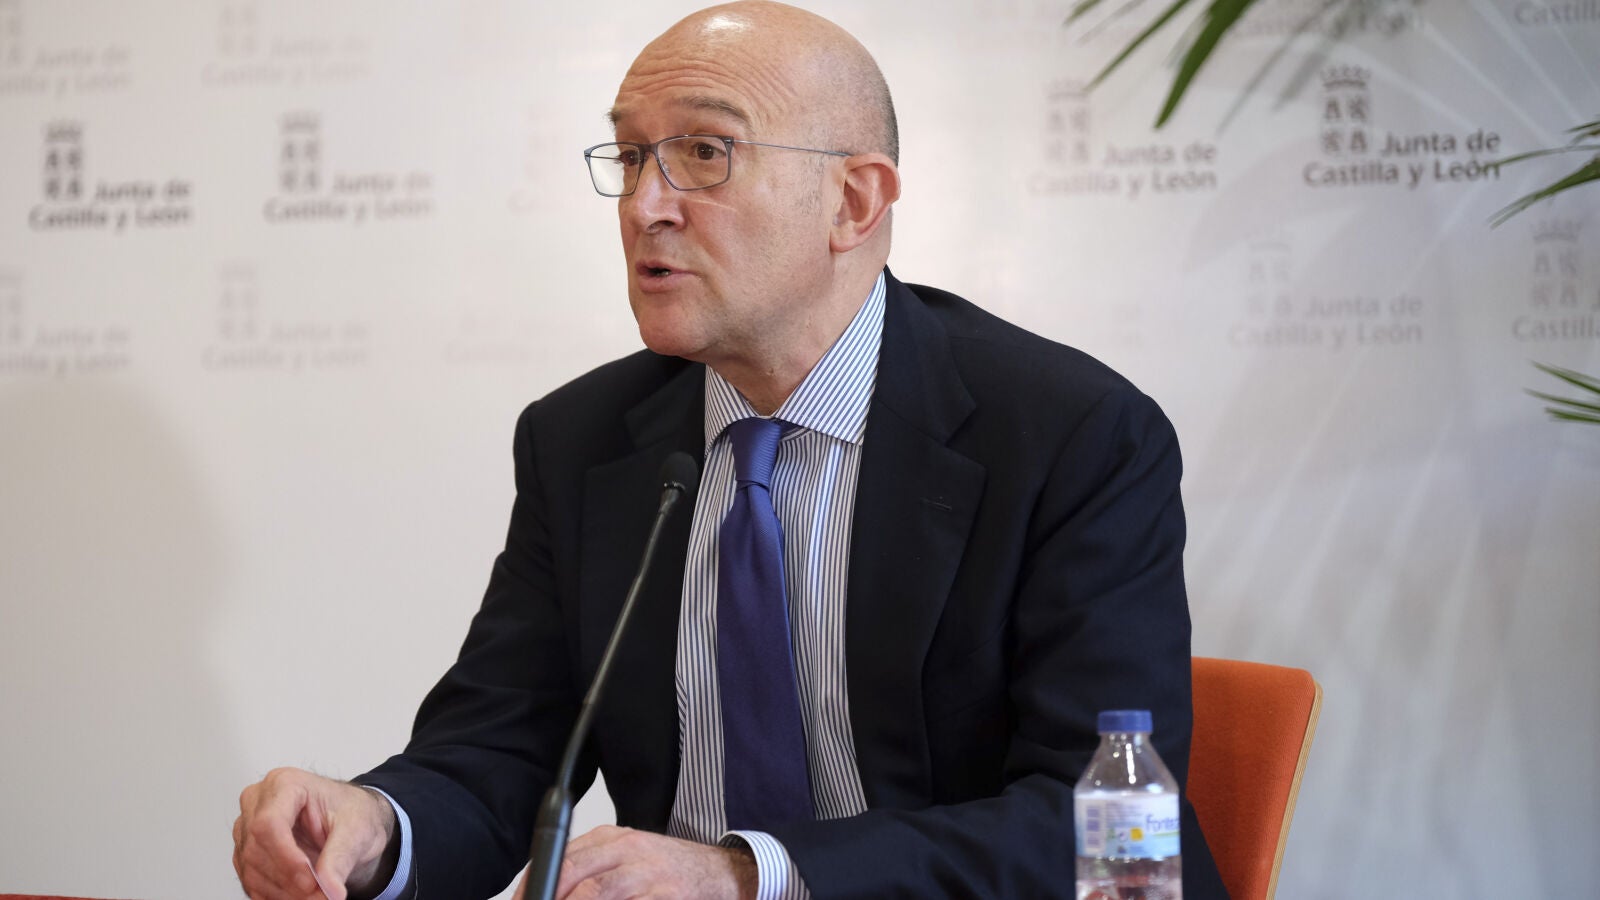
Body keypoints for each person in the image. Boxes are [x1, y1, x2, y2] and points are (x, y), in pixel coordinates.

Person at [232, 3, 1227, 898]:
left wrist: (748, 877)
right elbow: (496, 752)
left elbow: (1102, 826)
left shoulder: (1070, 435)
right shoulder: (581, 443)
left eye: (705, 153)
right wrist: (374, 825)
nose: (644, 205)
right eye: (631, 158)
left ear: (853, 203)